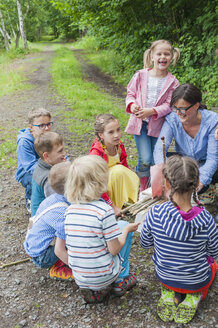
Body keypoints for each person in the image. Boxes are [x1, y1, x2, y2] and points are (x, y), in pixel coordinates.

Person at [140, 156, 218, 324]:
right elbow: (214, 252)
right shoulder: (206, 220)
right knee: (214, 265)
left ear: (167, 183)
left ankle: (169, 292)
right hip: (197, 280)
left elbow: (145, 243)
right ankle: (194, 296)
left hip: (165, 275)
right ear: (197, 183)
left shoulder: (155, 214)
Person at [55, 155, 139, 304]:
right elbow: (114, 250)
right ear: (99, 182)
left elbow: (61, 249)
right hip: (105, 275)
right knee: (122, 226)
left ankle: (94, 291)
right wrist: (126, 230)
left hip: (80, 278)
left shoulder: (69, 211)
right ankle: (120, 281)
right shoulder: (104, 211)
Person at [125, 39, 180, 192]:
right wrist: (132, 105)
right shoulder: (140, 75)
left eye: (167, 54)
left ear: (172, 58)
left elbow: (170, 104)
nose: (163, 57)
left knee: (157, 160)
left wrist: (152, 111)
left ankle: (154, 187)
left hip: (158, 126)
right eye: (159, 54)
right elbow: (130, 94)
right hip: (140, 124)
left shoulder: (173, 82)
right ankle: (143, 187)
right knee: (145, 159)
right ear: (152, 57)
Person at [153, 84, 218, 202]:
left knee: (208, 179)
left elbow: (213, 158)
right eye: (175, 108)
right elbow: (159, 149)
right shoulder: (172, 119)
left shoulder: (212, 121)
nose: (178, 113)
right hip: (185, 164)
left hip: (204, 163)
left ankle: (209, 189)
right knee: (166, 161)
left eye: (183, 109)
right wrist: (167, 174)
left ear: (196, 106)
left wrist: (202, 180)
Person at [24, 162, 73, 280]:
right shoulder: (61, 214)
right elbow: (60, 249)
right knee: (76, 240)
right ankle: (58, 268)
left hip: (33, 247)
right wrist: (79, 268)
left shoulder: (53, 198)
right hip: (42, 256)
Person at [89, 114, 139, 216]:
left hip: (114, 183)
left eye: (118, 130)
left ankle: (125, 203)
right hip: (101, 191)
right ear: (101, 135)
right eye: (111, 132)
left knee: (120, 171)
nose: (116, 135)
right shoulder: (96, 154)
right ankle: (113, 208)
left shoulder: (119, 146)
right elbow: (96, 184)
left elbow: (126, 170)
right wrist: (112, 206)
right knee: (118, 171)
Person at [15, 108, 52, 212]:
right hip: (27, 172)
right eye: (41, 125)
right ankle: (31, 197)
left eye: (49, 124)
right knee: (36, 179)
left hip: (46, 167)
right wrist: (48, 172)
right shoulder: (24, 142)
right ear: (31, 127)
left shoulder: (49, 137)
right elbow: (30, 166)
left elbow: (59, 152)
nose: (46, 128)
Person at [31, 131, 67, 216]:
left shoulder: (40, 165)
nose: (64, 153)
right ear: (46, 156)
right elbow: (57, 205)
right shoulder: (49, 179)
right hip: (45, 217)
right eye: (60, 151)